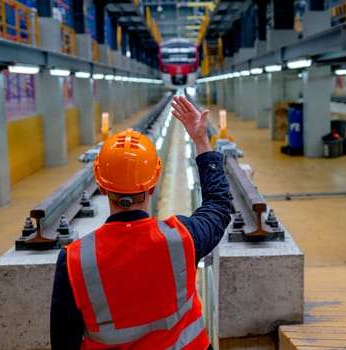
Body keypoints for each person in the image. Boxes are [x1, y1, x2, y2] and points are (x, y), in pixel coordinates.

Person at [50, 95, 232, 349]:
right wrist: (201, 140)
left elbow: (64, 343)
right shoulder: (181, 239)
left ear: (102, 187)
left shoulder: (74, 262)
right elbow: (219, 206)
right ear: (152, 186)